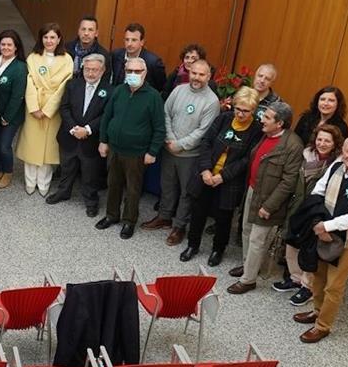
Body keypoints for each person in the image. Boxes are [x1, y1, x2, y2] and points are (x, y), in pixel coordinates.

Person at [293, 136, 348, 344]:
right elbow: (318, 191)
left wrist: (327, 226)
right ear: (342, 151)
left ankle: (323, 326)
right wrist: (319, 223)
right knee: (318, 277)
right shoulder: (336, 166)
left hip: (347, 242)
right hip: (322, 233)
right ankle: (316, 312)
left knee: (334, 286)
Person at [227, 101, 304, 294]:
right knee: (245, 231)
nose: (262, 119)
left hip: (269, 199)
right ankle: (248, 266)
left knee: (257, 239)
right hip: (253, 190)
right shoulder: (266, 135)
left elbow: (288, 182)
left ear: (280, 123)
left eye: (267, 117)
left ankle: (248, 280)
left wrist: (269, 206)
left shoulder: (293, 145)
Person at [181, 87, 263, 265]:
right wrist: (205, 170)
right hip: (206, 174)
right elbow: (206, 142)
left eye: (245, 111)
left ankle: (218, 249)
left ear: (253, 110)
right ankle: (192, 245)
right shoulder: (224, 118)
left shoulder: (257, 130)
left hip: (229, 182)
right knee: (198, 213)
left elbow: (247, 159)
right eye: (238, 109)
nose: (240, 114)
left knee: (223, 218)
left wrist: (223, 176)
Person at [142, 58, 220, 246]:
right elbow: (166, 113)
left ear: (208, 77)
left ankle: (179, 226)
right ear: (189, 72)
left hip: (190, 155)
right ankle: (164, 216)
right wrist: (170, 139)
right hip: (169, 148)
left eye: (202, 75)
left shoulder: (212, 101)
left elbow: (204, 131)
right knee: (167, 185)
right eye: (194, 73)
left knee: (186, 192)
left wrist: (180, 144)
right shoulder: (178, 90)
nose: (197, 77)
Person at [96, 57, 165, 239]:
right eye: (130, 71)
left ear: (145, 73)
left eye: (137, 71)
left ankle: (129, 221)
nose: (133, 75)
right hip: (114, 149)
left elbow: (159, 127)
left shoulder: (153, 97)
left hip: (137, 153)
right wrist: (103, 141)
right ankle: (111, 215)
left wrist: (152, 151)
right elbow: (107, 117)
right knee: (113, 184)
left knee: (133, 189)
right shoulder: (119, 91)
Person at [276, 124, 344, 305]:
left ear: (335, 143)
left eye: (327, 141)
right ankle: (295, 279)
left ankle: (307, 288)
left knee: (309, 249)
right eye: (319, 139)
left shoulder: (337, 165)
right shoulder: (306, 155)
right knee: (292, 244)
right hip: (298, 206)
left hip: (316, 211)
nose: (322, 143)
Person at [47, 53, 110, 216]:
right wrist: (74, 128)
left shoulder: (109, 90)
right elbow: (64, 108)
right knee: (67, 167)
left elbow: (106, 115)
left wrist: (87, 129)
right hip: (70, 135)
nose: (90, 73)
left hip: (91, 139)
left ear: (102, 70)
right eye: (87, 69)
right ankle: (63, 192)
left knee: (90, 174)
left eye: (94, 70)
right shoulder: (72, 85)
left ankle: (91, 200)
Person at [17, 23, 73, 196]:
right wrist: (34, 107)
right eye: (45, 37)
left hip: (53, 109)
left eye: (52, 37)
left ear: (59, 39)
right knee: (31, 145)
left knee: (49, 148)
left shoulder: (67, 59)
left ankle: (44, 183)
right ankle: (30, 181)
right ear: (41, 39)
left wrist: (48, 109)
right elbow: (29, 82)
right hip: (34, 107)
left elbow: (64, 87)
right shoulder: (33, 58)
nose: (49, 41)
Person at [0, 30, 27, 189]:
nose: (6, 47)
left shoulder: (20, 67)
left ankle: (7, 171)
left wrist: (7, 117)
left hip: (10, 114)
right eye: (3, 44)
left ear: (16, 47)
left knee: (4, 145)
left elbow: (18, 96)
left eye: (10, 44)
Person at [109, 23, 167, 93]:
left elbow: (161, 87)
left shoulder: (153, 62)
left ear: (142, 42)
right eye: (127, 40)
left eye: (134, 40)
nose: (129, 44)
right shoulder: (116, 55)